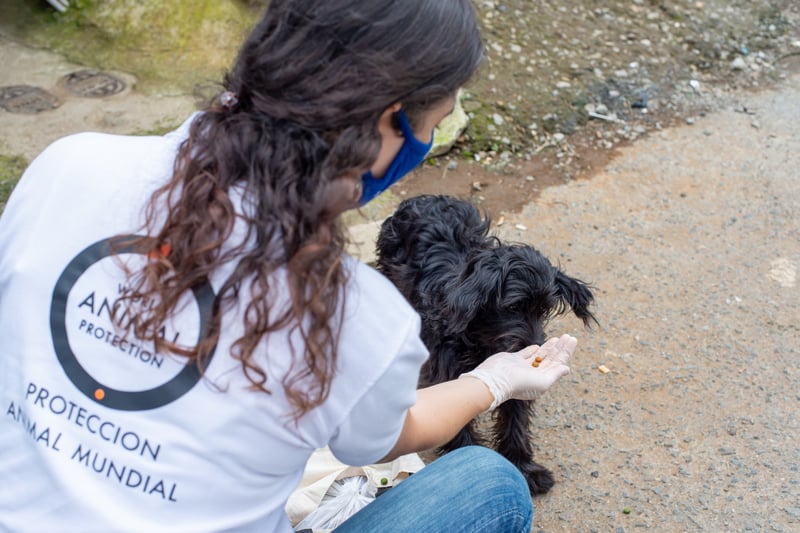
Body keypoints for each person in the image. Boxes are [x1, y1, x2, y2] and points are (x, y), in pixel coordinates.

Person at [0, 0, 579, 531]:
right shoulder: (357, 312)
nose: (428, 140)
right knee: (493, 485)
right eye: (437, 122)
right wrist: (495, 381)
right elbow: (391, 437)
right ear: (388, 121)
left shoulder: (66, 167)